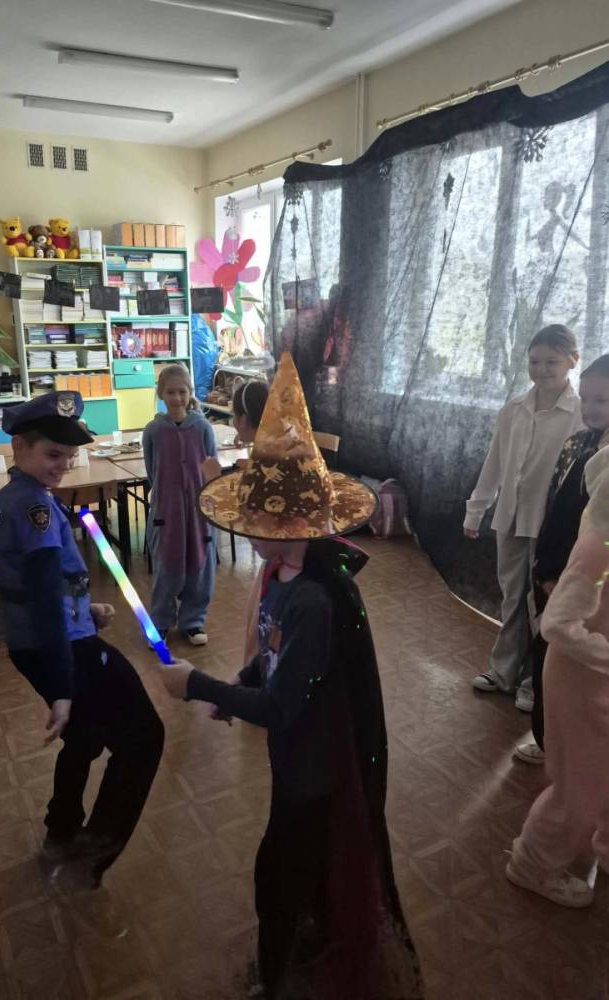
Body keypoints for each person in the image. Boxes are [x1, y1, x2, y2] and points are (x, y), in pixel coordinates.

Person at [161, 354, 423, 1000]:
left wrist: (198, 686)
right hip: (295, 757)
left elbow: (281, 707)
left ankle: (278, 974)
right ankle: (307, 938)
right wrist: (239, 681)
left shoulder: (312, 600)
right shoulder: (284, 576)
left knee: (277, 875)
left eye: (256, 528)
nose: (249, 538)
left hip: (315, 765)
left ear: (290, 528)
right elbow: (272, 656)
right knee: (300, 866)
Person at [0, 391, 164, 882]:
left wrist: (83, 609)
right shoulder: (36, 509)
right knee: (145, 735)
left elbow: (37, 587)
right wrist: (63, 686)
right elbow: (45, 598)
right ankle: (91, 848)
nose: (63, 465)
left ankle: (61, 831)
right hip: (62, 648)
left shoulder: (17, 493)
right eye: (53, 454)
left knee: (85, 737)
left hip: (43, 640)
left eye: (69, 455)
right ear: (19, 447)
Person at [506, 446, 609, 908]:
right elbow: (558, 624)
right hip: (580, 679)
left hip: (597, 674)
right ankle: (531, 864)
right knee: (579, 784)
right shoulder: (599, 547)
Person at [464, 325, 582, 711]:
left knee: (540, 602)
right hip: (511, 518)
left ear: (572, 362)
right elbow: (495, 463)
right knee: (512, 596)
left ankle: (535, 682)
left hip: (551, 528)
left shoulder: (581, 415)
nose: (541, 369)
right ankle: (503, 672)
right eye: (534, 361)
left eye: (551, 362)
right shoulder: (513, 410)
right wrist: (476, 509)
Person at [515, 354, 609, 764]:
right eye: (586, 399)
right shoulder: (578, 444)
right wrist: (546, 568)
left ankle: (576, 752)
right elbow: (557, 509)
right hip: (555, 569)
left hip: (587, 584)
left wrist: (575, 581)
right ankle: (548, 740)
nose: (591, 409)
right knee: (547, 661)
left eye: (602, 401)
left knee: (579, 675)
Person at [143, 363, 217, 646]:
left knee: (200, 564)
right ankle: (161, 622)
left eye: (182, 392)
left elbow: (211, 466)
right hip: (166, 510)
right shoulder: (153, 430)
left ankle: (193, 621)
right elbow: (152, 469)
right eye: (171, 392)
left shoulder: (202, 427)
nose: (177, 398)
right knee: (166, 565)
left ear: (190, 392)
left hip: (199, 511)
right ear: (161, 393)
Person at [202, 379, 270, 663]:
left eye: (234, 416)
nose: (232, 422)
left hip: (282, 560)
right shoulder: (278, 445)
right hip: (296, 558)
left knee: (263, 637)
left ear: (243, 419)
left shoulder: (265, 458)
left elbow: (241, 518)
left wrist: (214, 480)